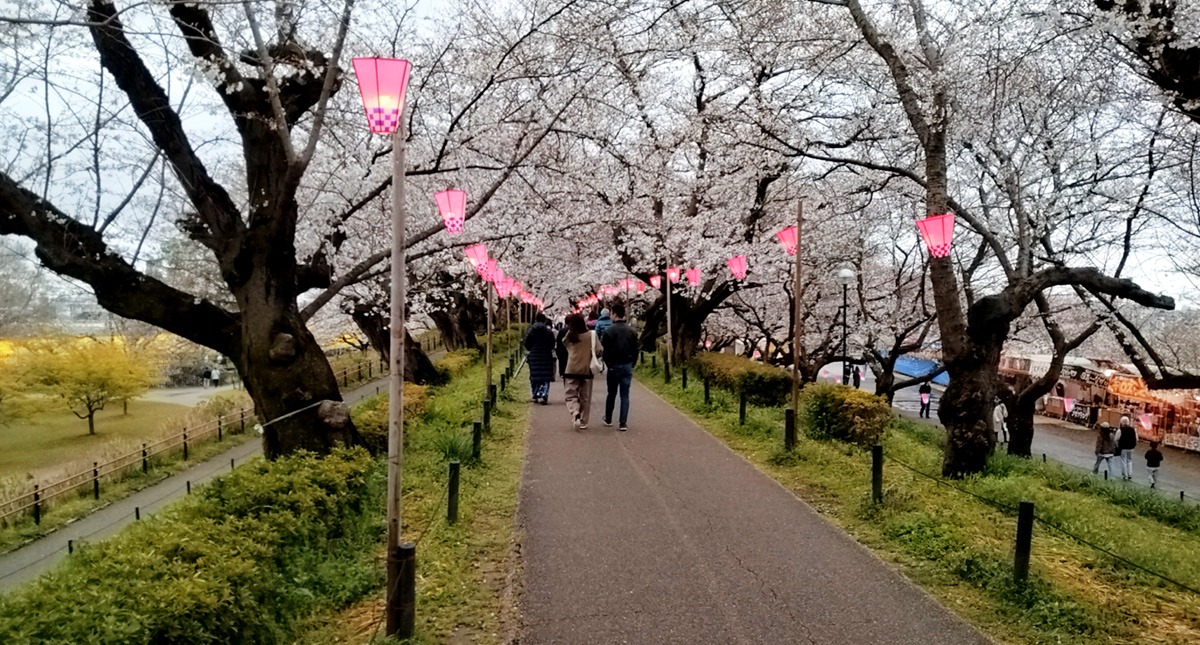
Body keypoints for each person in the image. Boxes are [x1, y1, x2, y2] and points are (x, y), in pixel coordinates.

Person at [600, 301, 638, 431]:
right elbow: (635, 350)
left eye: (611, 313)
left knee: (611, 393)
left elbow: (605, 351)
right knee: (625, 395)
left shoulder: (608, 331)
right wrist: (633, 363)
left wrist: (608, 364)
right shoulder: (632, 331)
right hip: (627, 365)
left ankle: (608, 418)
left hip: (613, 366)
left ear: (614, 314)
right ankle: (623, 423)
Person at [562, 313, 602, 430]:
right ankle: (583, 421)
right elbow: (599, 350)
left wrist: (570, 330)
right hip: (586, 370)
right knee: (585, 396)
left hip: (571, 369)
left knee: (570, 395)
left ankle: (575, 412)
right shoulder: (592, 335)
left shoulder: (571, 336)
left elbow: (563, 343)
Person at [523, 313, 557, 405]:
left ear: (535, 319)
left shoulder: (531, 330)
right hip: (546, 355)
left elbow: (526, 343)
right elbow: (552, 344)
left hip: (534, 355)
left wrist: (532, 349)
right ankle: (543, 394)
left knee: (534, 375)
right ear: (544, 320)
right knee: (545, 376)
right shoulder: (548, 332)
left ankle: (535, 394)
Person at [1117, 415, 1139, 480]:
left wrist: (1117, 446)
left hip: (1123, 448)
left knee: (1123, 461)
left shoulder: (1120, 430)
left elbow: (1116, 439)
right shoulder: (1133, 430)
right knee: (1129, 460)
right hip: (1131, 448)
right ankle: (1130, 474)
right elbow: (1137, 439)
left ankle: (1125, 475)